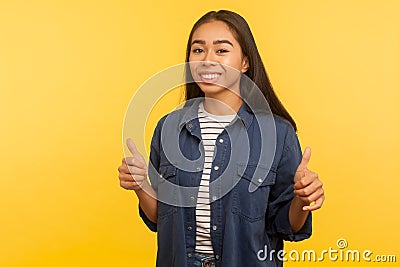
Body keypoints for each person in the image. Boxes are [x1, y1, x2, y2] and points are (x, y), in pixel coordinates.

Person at [118, 10, 325, 267]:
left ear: (245, 62)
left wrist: (301, 199)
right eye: (198, 50)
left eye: (221, 50)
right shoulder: (168, 128)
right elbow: (161, 219)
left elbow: (285, 225)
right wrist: (141, 186)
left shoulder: (278, 134)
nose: (207, 60)